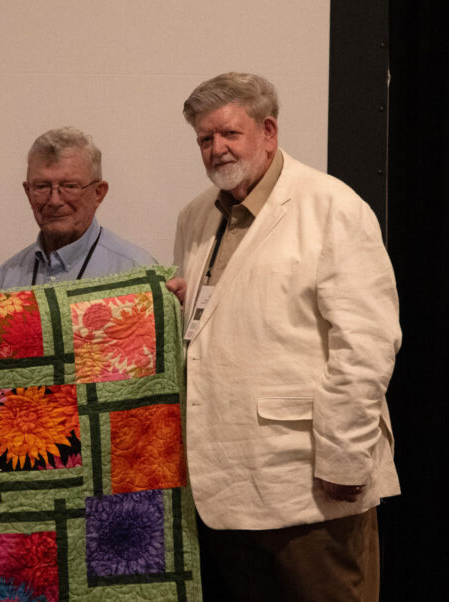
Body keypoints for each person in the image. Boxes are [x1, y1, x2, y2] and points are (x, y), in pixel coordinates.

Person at [169, 72, 401, 600]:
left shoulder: (332, 206)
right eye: (205, 138)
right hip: (226, 488)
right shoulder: (194, 217)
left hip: (313, 485)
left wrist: (344, 458)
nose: (217, 149)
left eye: (230, 133)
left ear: (268, 131)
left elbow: (366, 344)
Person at [0, 127, 156, 289]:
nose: (55, 201)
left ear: (98, 193)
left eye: (69, 186)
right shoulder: (6, 279)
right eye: (42, 187)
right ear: (28, 193)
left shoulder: (137, 273)